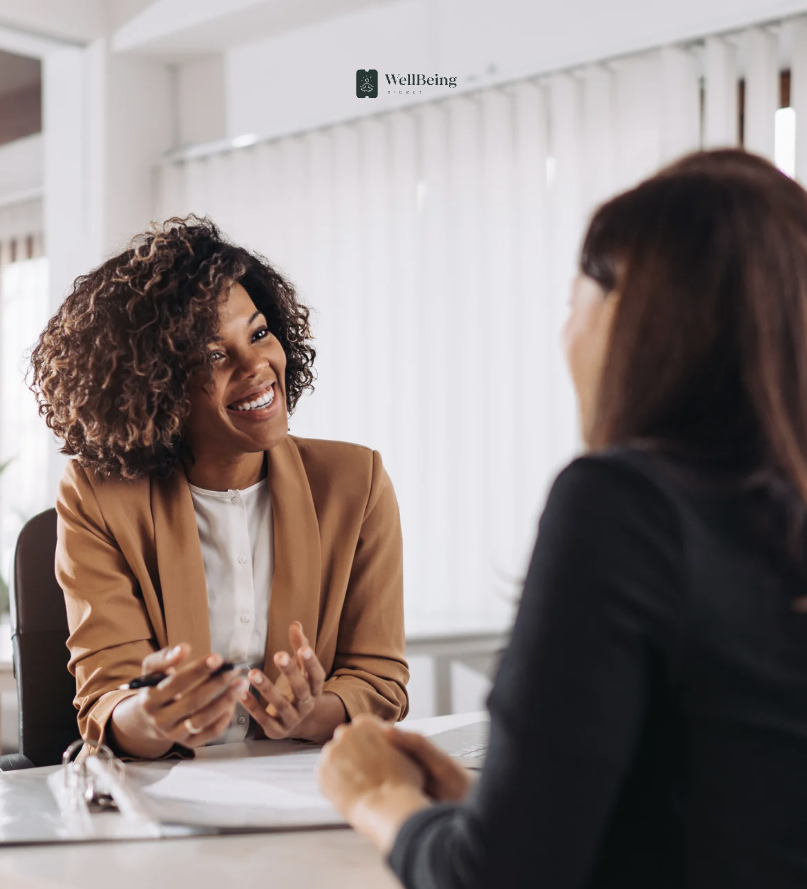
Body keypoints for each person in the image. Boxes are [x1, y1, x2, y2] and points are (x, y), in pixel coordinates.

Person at [317, 149, 807, 889]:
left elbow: (497, 880)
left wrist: (379, 798)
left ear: (630, 317)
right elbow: (731, 810)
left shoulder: (623, 504)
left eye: (570, 299)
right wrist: (488, 805)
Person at [30, 217, 408, 759]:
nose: (257, 366)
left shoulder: (355, 482)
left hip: (304, 793)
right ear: (155, 385)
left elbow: (379, 680)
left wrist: (308, 712)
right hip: (163, 800)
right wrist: (156, 716)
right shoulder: (98, 496)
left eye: (258, 334)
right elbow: (107, 702)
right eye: (213, 354)